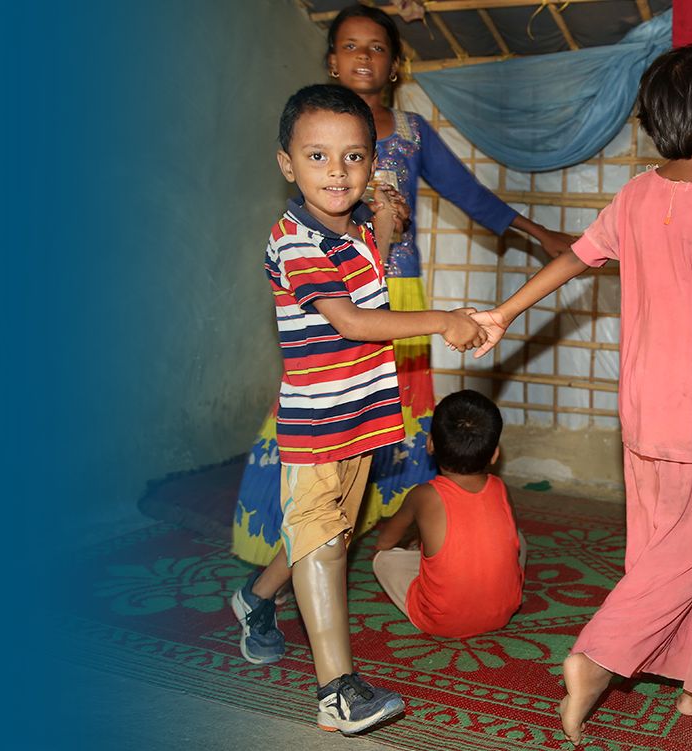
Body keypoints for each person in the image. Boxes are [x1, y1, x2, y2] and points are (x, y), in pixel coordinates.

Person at [230, 2, 574, 662]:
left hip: (400, 303)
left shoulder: (412, 134)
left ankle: (404, 547)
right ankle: (315, 638)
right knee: (322, 480)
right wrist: (444, 318)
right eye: (349, 46)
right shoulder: (312, 161)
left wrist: (541, 237)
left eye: (378, 47)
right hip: (348, 321)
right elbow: (344, 311)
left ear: (395, 64)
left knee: (364, 470)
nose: (363, 57)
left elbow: (476, 198)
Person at [469, 43, 692, 744]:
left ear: (653, 122)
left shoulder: (635, 195)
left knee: (657, 548)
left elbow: (572, 260)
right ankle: (596, 655)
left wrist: (502, 313)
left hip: (640, 412)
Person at [240, 83, 484, 734]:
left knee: (326, 535)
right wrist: (442, 320)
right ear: (287, 163)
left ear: (371, 163)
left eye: (352, 157)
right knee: (323, 543)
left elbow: (365, 280)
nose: (336, 171)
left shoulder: (349, 237)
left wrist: (382, 227)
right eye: (316, 156)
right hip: (316, 426)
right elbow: (349, 320)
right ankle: (336, 691)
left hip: (362, 420)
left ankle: (255, 597)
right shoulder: (295, 241)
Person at [371, 390, 525, 638]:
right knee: (518, 537)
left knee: (383, 560)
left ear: (430, 443)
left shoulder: (423, 495)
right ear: (495, 453)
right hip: (502, 612)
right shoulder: (500, 488)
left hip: (443, 622)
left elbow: (384, 542)